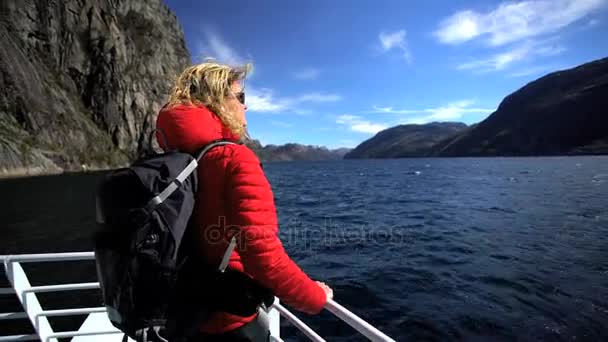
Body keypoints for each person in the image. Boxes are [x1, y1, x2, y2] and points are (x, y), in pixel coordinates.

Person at [155, 61, 333, 341]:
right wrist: (315, 297)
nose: (246, 107)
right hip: (227, 322)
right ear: (218, 101)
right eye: (241, 97)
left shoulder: (175, 161)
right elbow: (263, 255)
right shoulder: (234, 159)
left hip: (182, 314)